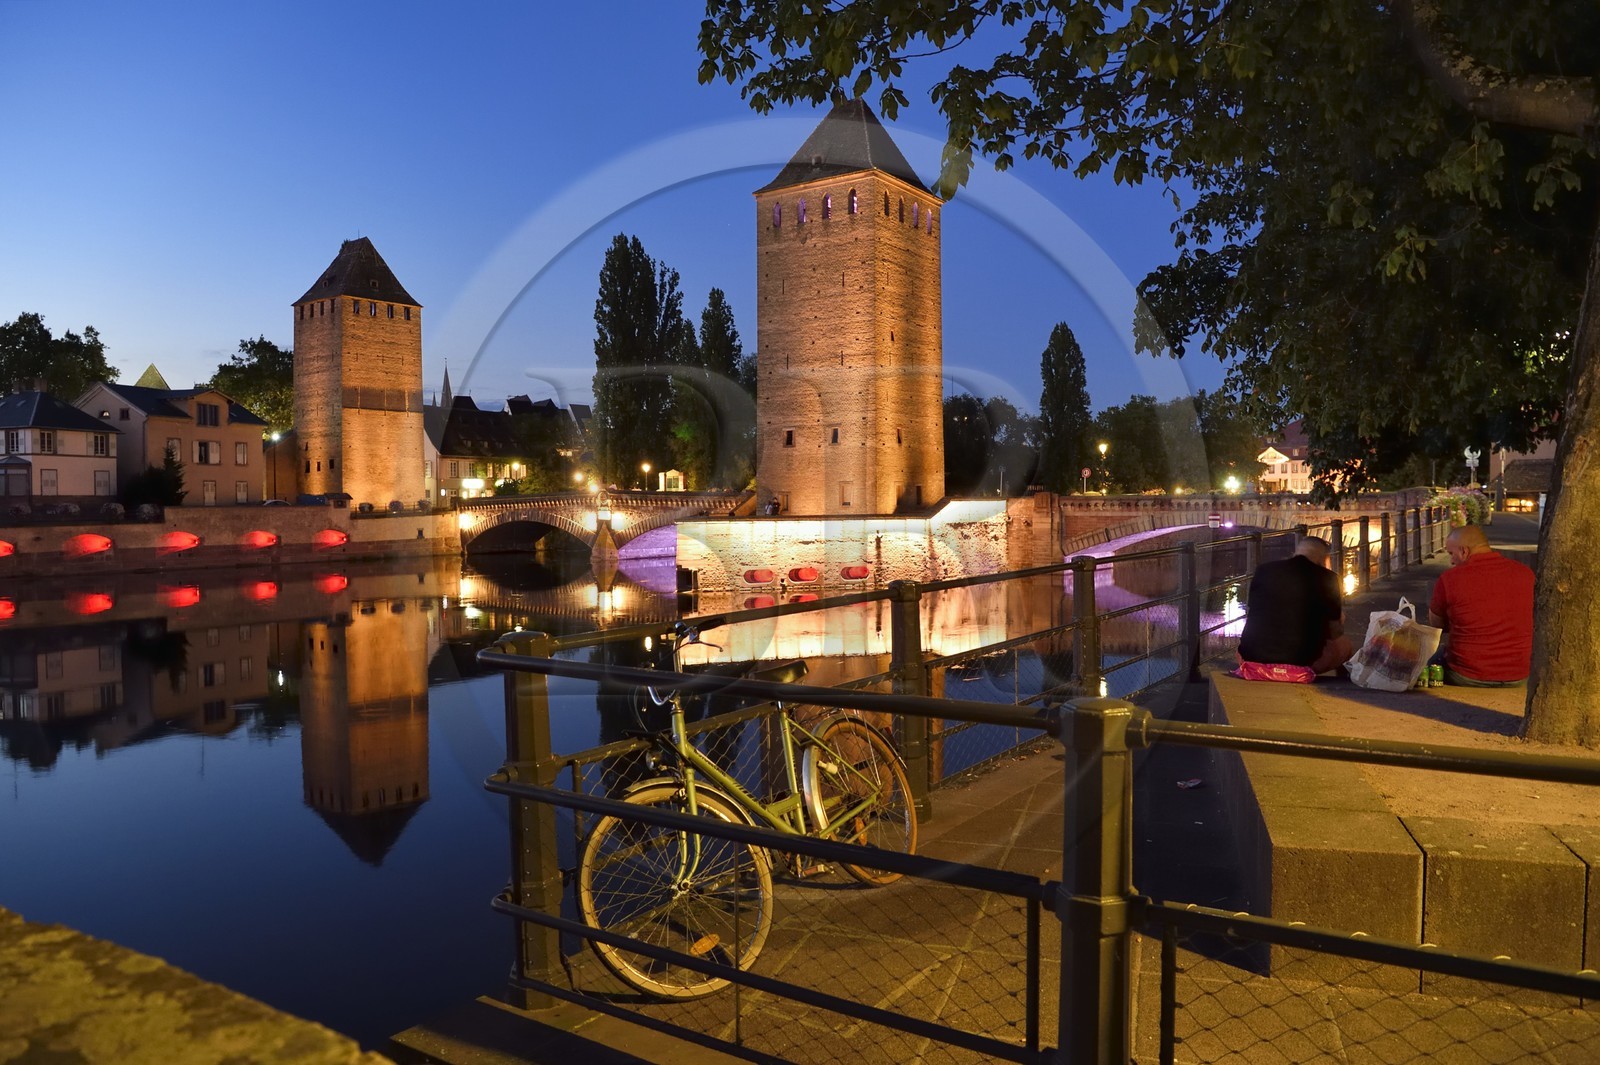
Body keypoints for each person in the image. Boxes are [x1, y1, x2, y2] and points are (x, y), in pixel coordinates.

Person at [1427, 524, 1534, 686]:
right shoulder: (1525, 573)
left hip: (1467, 673)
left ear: (1464, 551)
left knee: (1429, 658)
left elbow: (1436, 625)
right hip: (1520, 674)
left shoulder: (1450, 579)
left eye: (1451, 553)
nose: (1451, 561)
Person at [1238, 535, 1354, 674]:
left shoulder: (1263, 570)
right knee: (1345, 645)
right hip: (1299, 663)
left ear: (1296, 552)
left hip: (1252, 659)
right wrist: (1339, 619)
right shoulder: (1328, 578)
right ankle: (1341, 682)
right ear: (1324, 559)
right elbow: (1335, 632)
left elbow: (1254, 612)